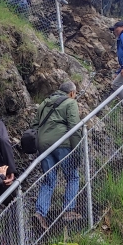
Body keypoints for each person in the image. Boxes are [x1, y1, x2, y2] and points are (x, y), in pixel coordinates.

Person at [33, 79, 82, 229]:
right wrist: (77, 151)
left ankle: (40, 213)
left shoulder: (43, 103)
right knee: (72, 176)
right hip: (62, 144)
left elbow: (35, 126)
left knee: (49, 179)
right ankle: (68, 211)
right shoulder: (70, 103)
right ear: (72, 93)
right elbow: (75, 127)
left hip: (43, 145)